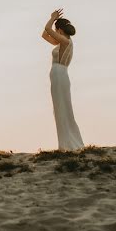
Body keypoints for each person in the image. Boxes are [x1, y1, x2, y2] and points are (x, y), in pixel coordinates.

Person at [42, 8, 84, 150]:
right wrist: (53, 21)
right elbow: (44, 34)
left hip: (59, 74)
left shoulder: (65, 41)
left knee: (62, 108)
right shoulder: (63, 42)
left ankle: (69, 144)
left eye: (56, 29)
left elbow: (47, 29)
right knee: (61, 108)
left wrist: (52, 18)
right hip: (59, 74)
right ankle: (68, 142)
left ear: (59, 29)